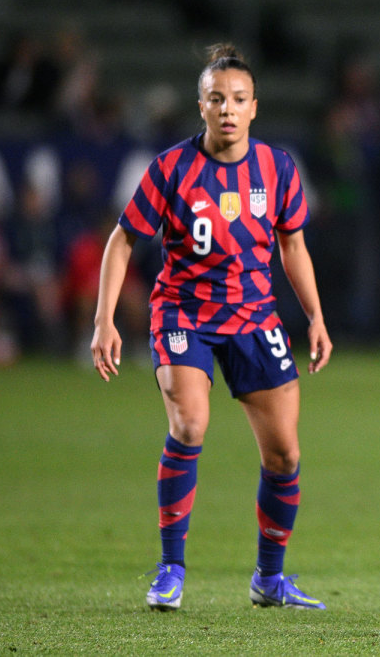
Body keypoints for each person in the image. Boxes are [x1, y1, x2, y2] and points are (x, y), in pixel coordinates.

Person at [90, 44, 333, 611]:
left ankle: (269, 580)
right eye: (217, 98)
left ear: (255, 108)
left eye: (239, 99)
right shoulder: (173, 168)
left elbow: (292, 244)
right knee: (191, 423)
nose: (228, 108)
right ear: (200, 106)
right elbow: (123, 238)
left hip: (254, 317)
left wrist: (317, 316)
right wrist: (104, 319)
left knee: (285, 457)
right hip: (183, 315)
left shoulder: (277, 167)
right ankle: (171, 568)